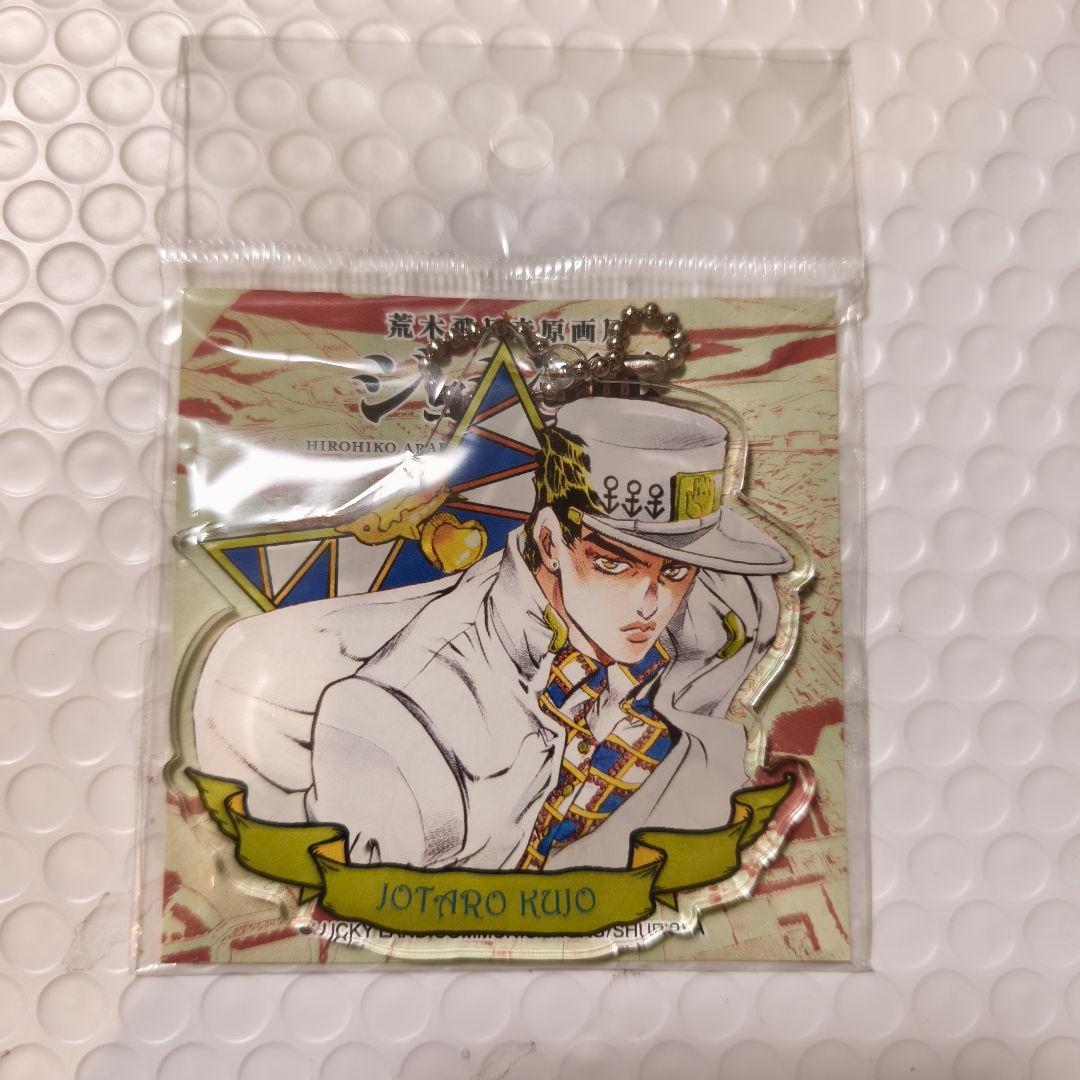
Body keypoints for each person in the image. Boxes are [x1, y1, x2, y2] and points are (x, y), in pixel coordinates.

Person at [192, 396, 793, 872]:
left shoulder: (731, 615)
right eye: (614, 564)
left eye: (676, 571)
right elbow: (377, 906)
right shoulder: (407, 712)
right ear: (551, 543)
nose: (651, 604)